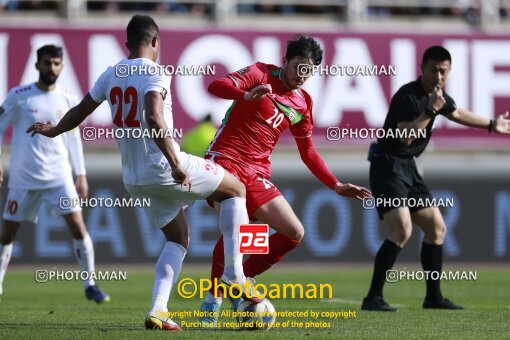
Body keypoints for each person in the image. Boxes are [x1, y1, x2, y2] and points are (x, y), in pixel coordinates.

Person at [27, 15, 261, 331]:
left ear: (127, 44)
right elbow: (153, 115)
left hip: (135, 179)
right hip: (164, 165)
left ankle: (159, 310)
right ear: (155, 42)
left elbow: (81, 111)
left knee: (178, 238)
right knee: (236, 190)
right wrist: (176, 164)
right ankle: (235, 275)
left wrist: (55, 130)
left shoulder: (111, 74)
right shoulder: (157, 72)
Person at [198, 35, 372, 326]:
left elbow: (309, 152)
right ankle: (212, 300)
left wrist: (336, 185)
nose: (302, 76)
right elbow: (215, 86)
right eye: (299, 67)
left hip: (256, 173)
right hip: (224, 161)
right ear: (285, 62)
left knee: (294, 232)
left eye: (309, 71)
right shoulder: (259, 74)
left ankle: (240, 279)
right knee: (239, 232)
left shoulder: (303, 103)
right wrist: (245, 94)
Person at [361, 45, 510, 312]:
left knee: (437, 228)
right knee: (402, 230)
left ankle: (433, 297)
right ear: (422, 69)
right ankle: (373, 297)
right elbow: (405, 135)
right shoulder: (408, 96)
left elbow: (458, 113)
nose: (438, 77)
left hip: (408, 167)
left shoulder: (438, 97)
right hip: (387, 165)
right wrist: (429, 111)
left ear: (449, 72)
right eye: (433, 70)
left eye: (443, 72)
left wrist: (491, 124)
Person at [0, 45, 109, 303]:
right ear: (37, 65)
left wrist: (80, 174)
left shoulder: (69, 98)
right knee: (7, 234)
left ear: (62, 66)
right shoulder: (19, 96)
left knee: (78, 227)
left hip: (59, 177)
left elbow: (74, 139)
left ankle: (90, 284)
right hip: (24, 179)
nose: (52, 68)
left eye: (57, 63)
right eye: (47, 63)